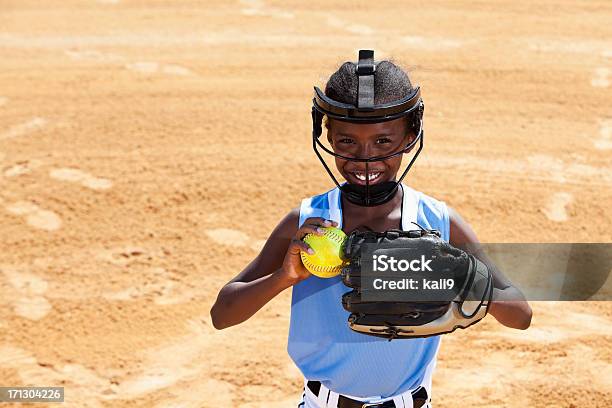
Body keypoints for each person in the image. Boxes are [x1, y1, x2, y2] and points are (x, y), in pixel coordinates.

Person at [210, 50, 532, 408]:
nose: (365, 158)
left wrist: (461, 275)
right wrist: (284, 277)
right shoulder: (306, 222)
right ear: (328, 135)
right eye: (347, 141)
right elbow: (222, 314)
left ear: (411, 135)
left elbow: (521, 316)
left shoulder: (437, 221)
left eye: (383, 141)